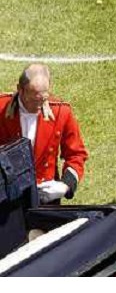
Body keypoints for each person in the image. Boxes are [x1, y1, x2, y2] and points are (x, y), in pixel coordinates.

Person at [0, 64, 88, 203]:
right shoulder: (1, 108)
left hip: (45, 196)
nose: (39, 106)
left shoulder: (61, 112)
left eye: (43, 99)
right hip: (6, 195)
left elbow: (76, 154)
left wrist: (65, 185)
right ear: (20, 90)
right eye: (34, 100)